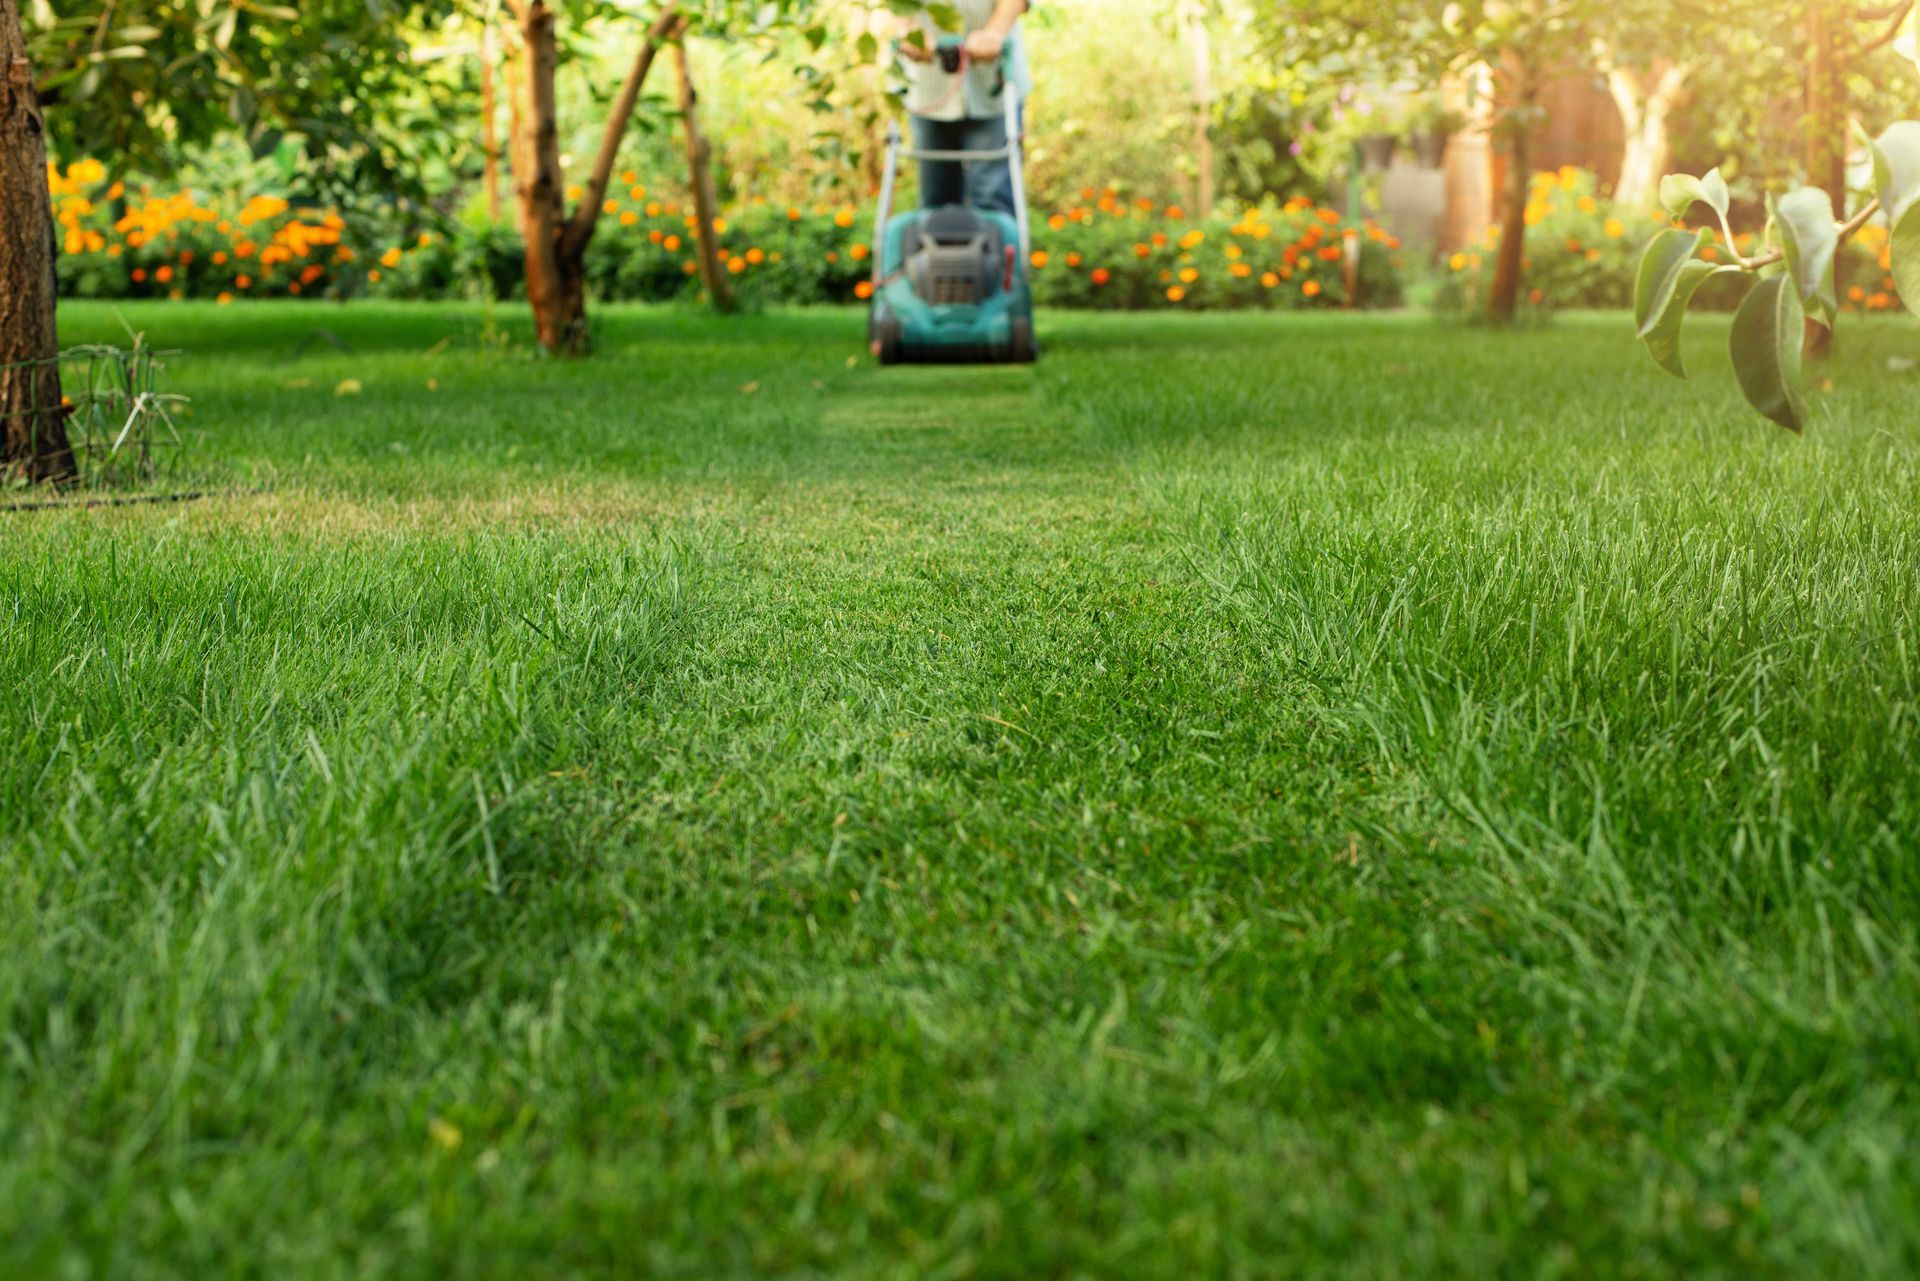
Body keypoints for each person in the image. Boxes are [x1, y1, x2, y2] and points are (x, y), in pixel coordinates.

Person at [896, 1, 1031, 217]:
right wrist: (909, 29)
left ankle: (994, 248)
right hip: (928, 85)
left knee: (992, 202)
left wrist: (994, 32)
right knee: (935, 205)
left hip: (993, 83)